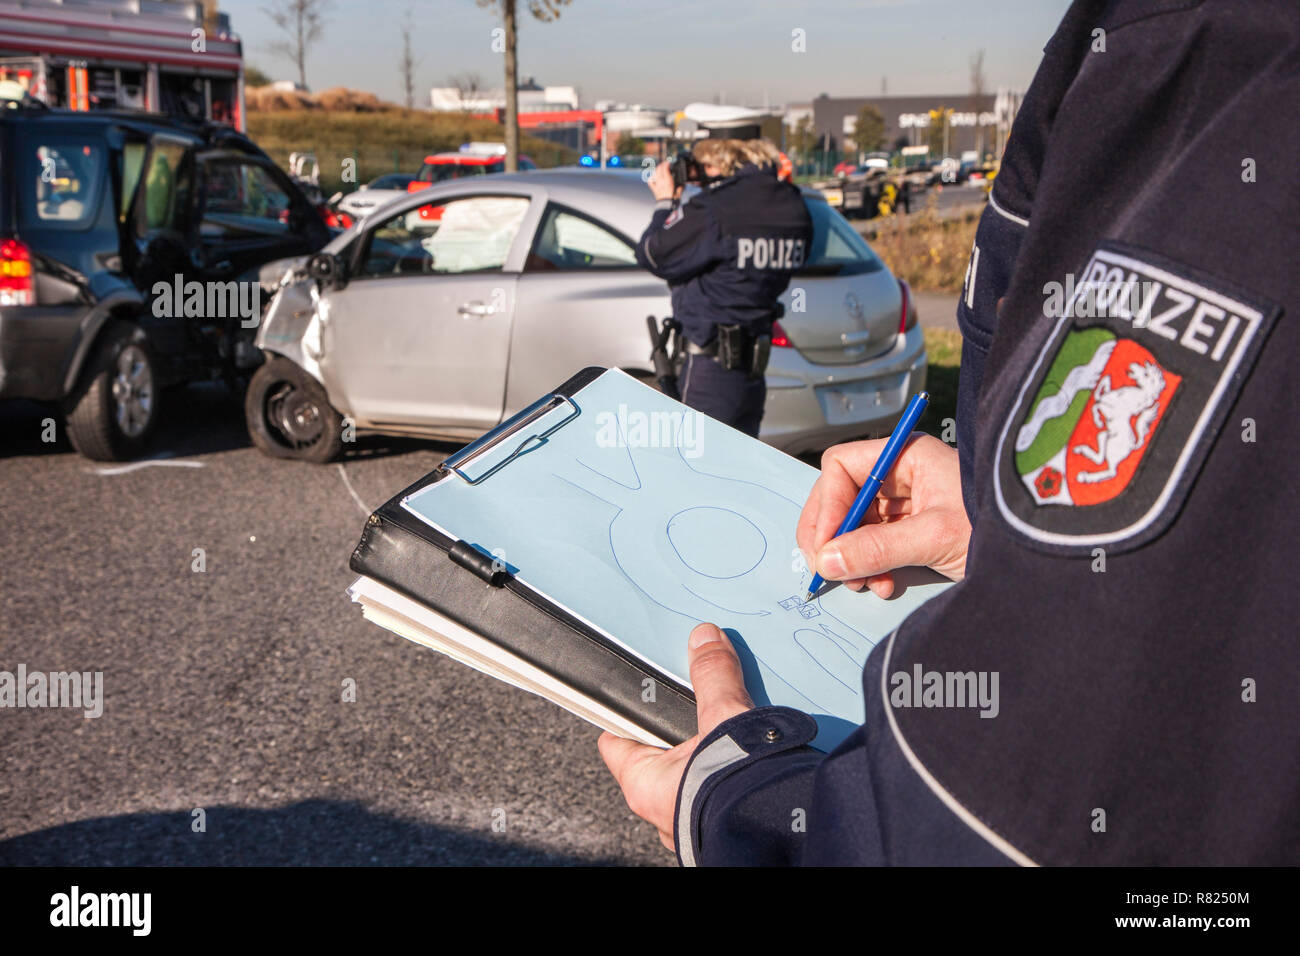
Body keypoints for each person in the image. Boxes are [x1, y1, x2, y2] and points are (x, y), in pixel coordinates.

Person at [600, 0, 1299, 865]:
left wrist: (736, 808)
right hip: (760, 363)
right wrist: (993, 506)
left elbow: (1001, 815)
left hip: (714, 358)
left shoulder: (1217, 61)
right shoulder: (787, 202)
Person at [635, 138, 813, 437]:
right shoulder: (792, 204)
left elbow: (653, 253)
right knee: (736, 472)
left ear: (720, 160)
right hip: (753, 370)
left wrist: (666, 203)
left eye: (704, 163)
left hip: (709, 369)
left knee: (696, 471)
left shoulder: (716, 208)